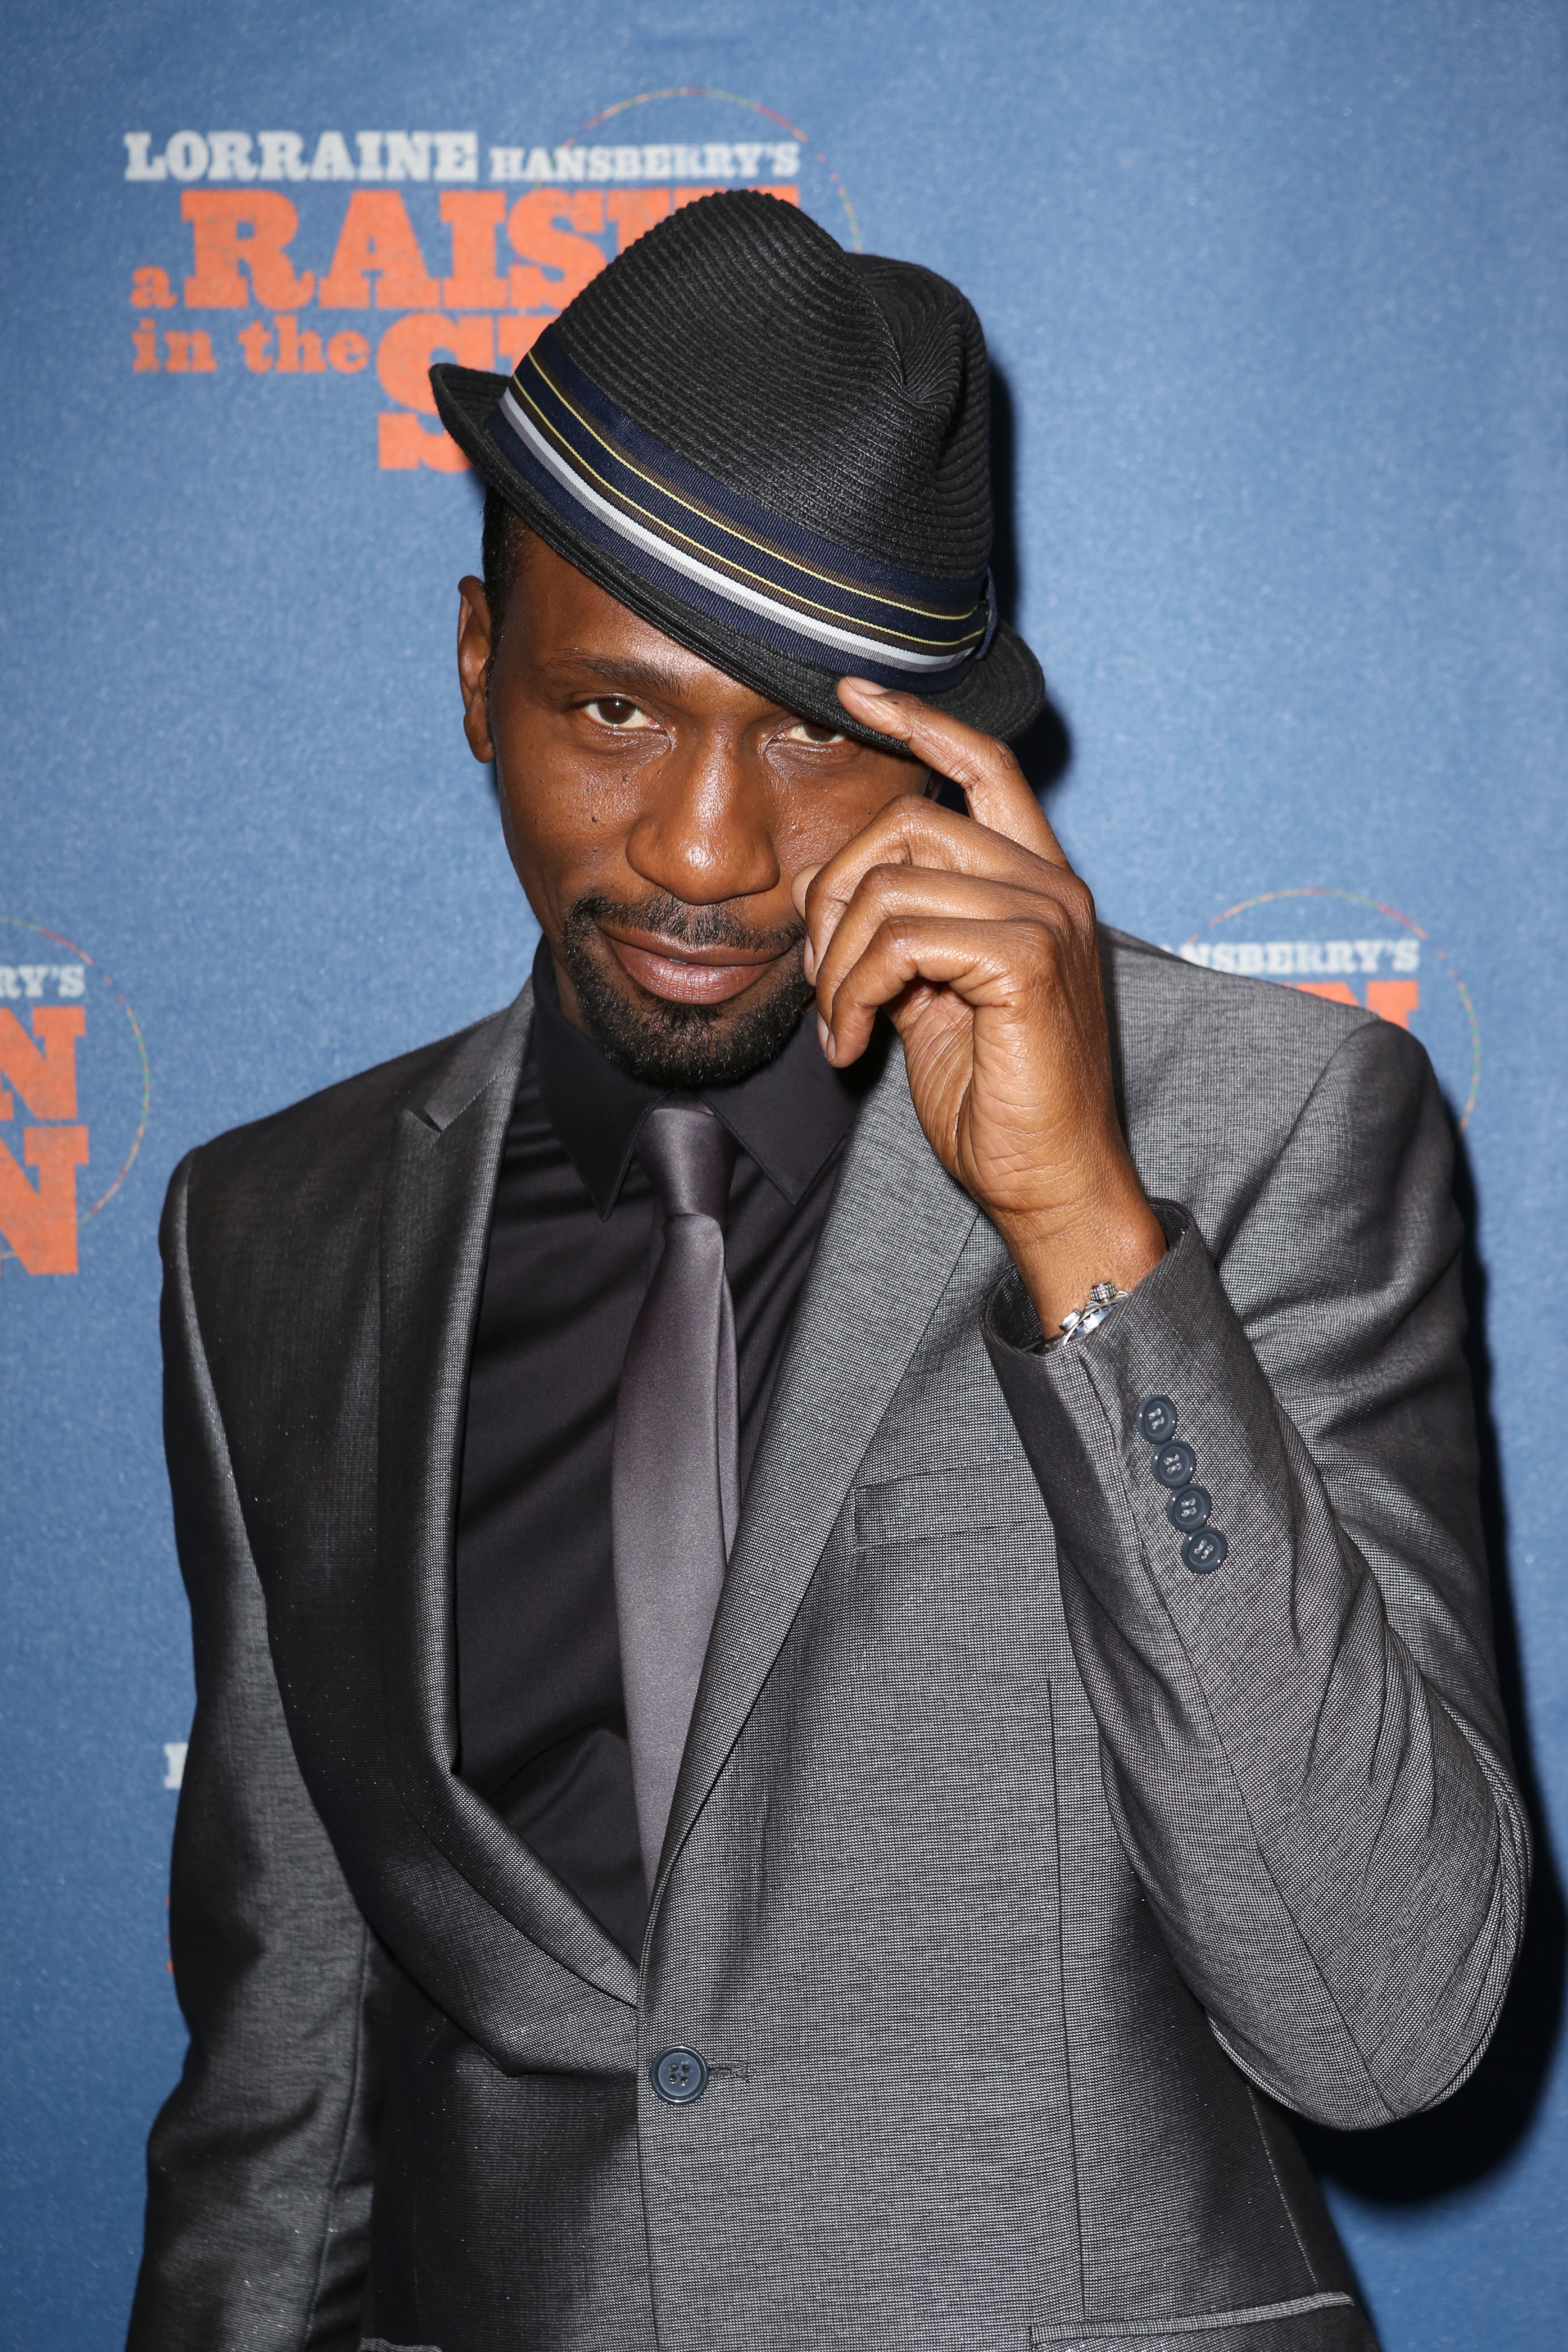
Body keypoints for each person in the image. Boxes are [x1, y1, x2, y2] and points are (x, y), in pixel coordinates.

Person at [128, 192, 1527, 2352]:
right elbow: (286, 2099)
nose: (702, 846)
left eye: (806, 728)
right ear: (480, 671)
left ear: (954, 747)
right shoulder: (272, 1238)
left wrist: (1084, 1234)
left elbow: (1389, 2018)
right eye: (615, 712)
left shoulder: (1260, 1129)